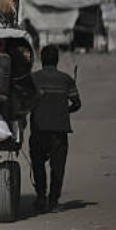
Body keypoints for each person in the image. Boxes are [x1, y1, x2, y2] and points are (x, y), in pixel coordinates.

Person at [29, 45, 81, 213]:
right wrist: (64, 110)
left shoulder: (33, 78)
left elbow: (25, 102)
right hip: (60, 131)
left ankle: (40, 198)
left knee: (38, 164)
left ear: (42, 60)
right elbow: (77, 103)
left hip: (39, 129)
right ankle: (53, 202)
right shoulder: (66, 79)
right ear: (57, 60)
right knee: (58, 167)